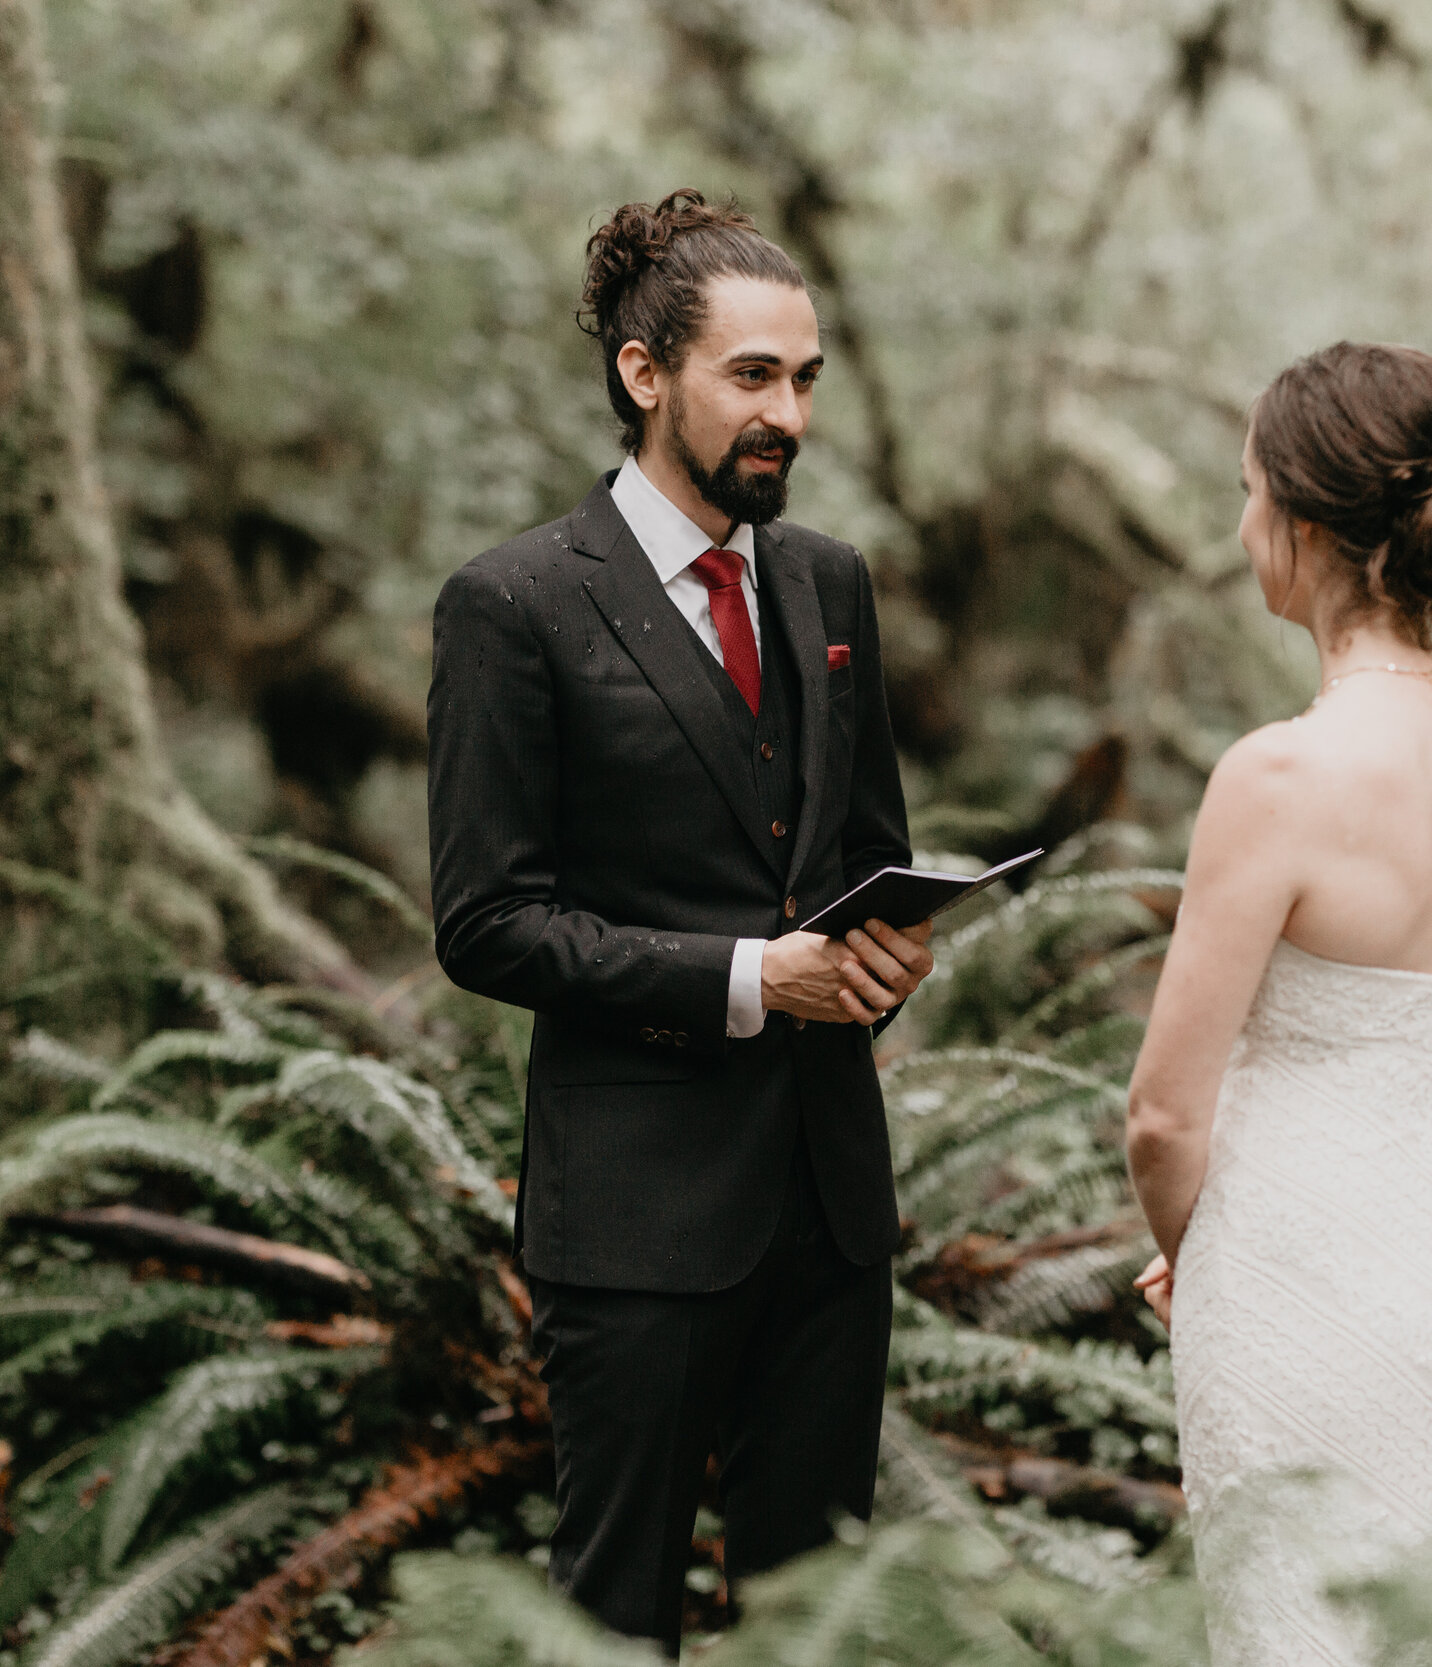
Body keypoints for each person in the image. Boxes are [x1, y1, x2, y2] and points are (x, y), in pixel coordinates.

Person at [425, 190, 932, 1658]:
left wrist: (882, 962)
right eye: (753, 377)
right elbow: (488, 923)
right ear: (646, 376)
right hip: (637, 1218)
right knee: (615, 1617)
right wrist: (748, 980)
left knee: (818, 1620)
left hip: (830, 1211)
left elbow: (864, 859)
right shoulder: (512, 606)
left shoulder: (832, 582)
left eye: (807, 377)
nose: (791, 414)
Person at [1124, 342, 1432, 1665]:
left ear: (1306, 530)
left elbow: (1160, 1115)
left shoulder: (1280, 777)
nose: (1241, 524)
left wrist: (1199, 1251)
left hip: (1294, 1279)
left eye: (1250, 493)